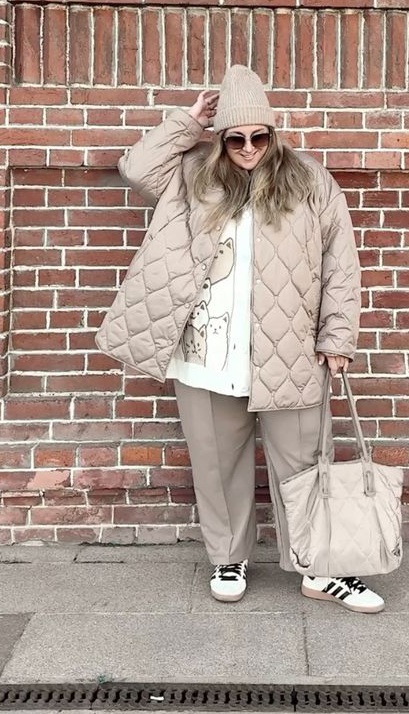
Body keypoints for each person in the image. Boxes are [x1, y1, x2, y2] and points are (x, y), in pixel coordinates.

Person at [95, 64, 385, 613]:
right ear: (221, 137)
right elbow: (136, 168)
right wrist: (189, 122)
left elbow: (341, 263)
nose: (248, 148)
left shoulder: (310, 180)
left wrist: (338, 336)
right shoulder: (192, 174)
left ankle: (322, 569)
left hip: (290, 351)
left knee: (306, 463)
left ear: (273, 133)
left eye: (259, 136)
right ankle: (228, 557)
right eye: (235, 138)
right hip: (206, 354)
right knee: (216, 462)